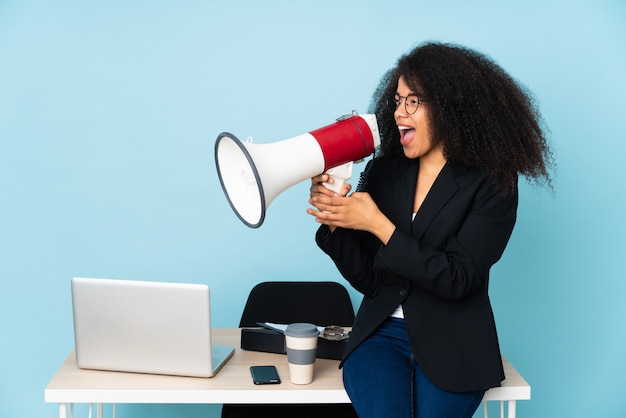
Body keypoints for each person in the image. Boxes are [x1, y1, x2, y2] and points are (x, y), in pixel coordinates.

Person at [306, 41, 553, 418]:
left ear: (450, 108)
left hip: (455, 345)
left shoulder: (494, 183)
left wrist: (378, 225)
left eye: (414, 102)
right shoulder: (386, 171)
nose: (399, 112)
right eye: (397, 100)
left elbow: (459, 278)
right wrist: (337, 222)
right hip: (380, 338)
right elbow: (372, 281)